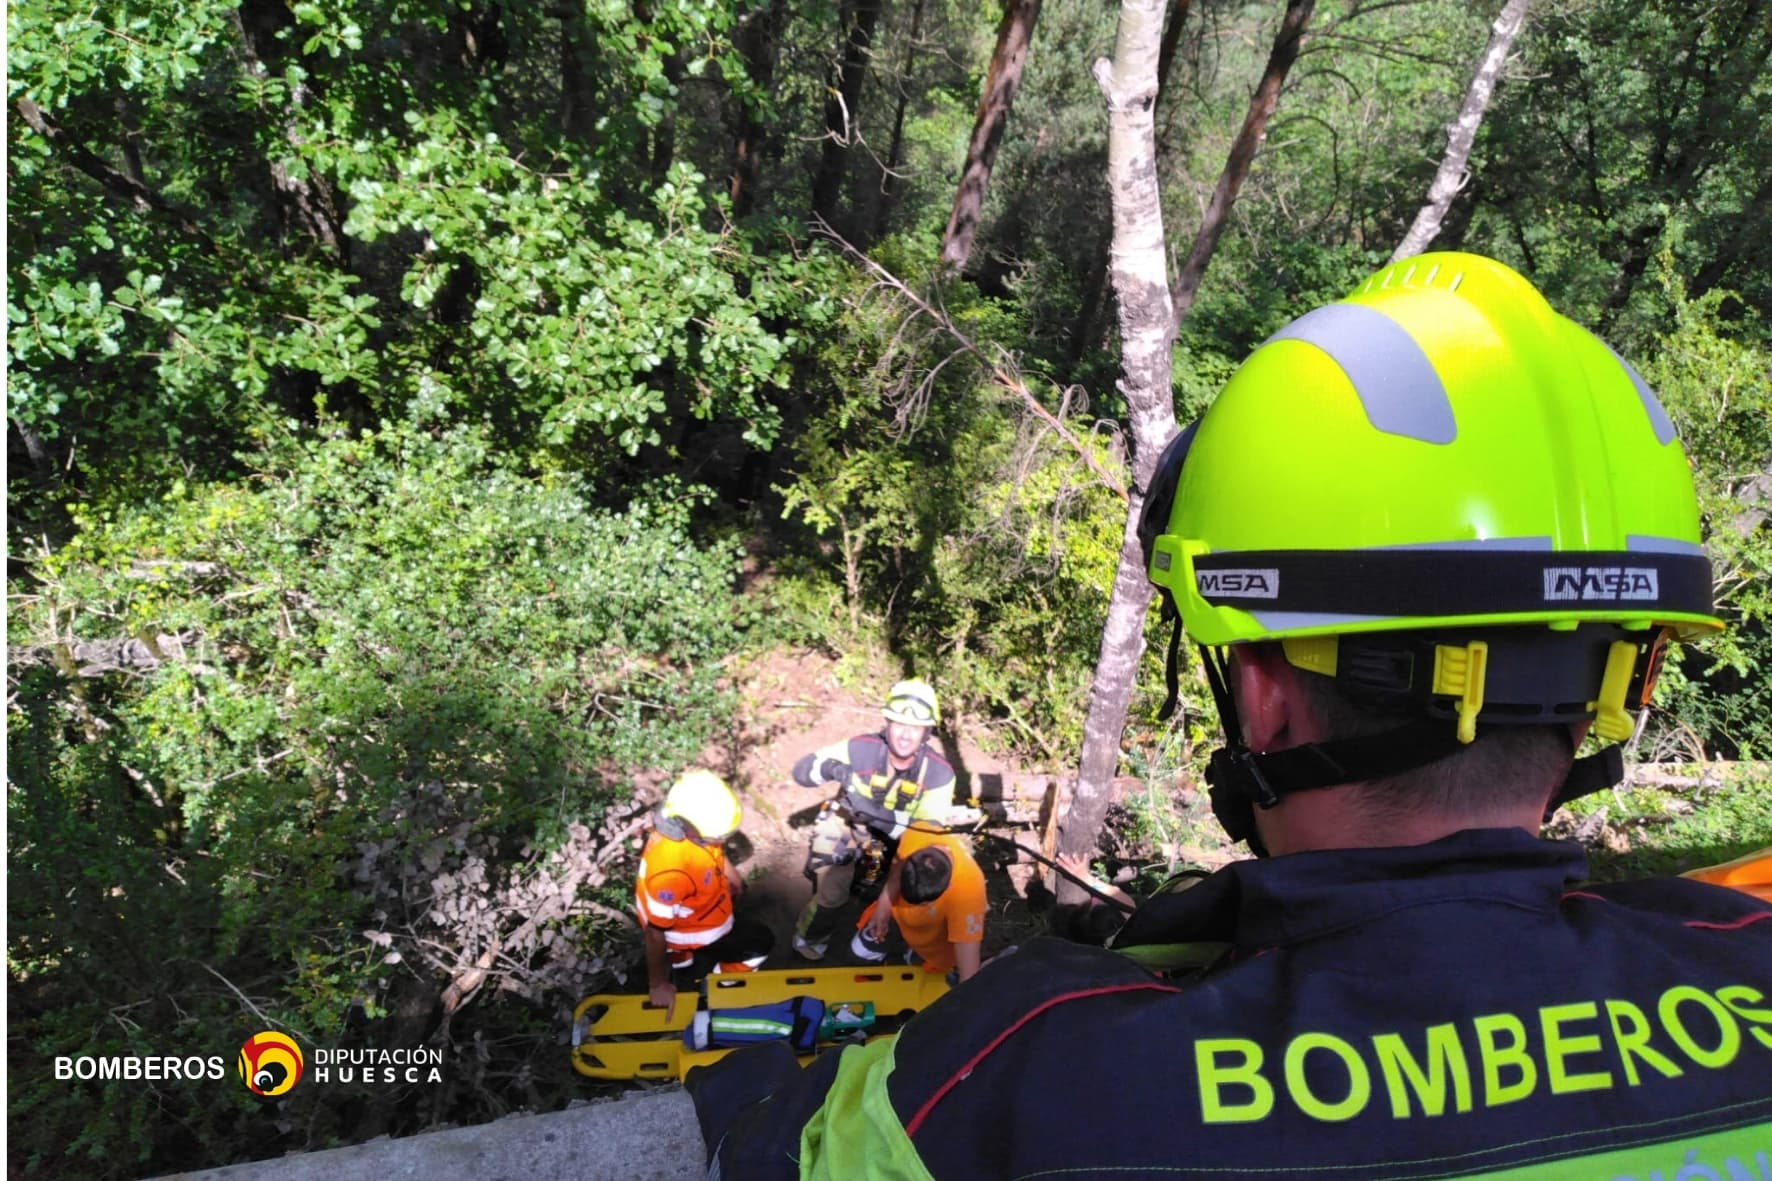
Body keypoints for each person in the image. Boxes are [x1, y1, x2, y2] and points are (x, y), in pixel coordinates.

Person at [687, 253, 1772, 1177]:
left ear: (1263, 688)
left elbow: (784, 1150)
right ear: (1618, 682)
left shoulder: (1020, 1079)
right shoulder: (1742, 953)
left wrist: (735, 1065)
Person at [788, 679, 957, 960]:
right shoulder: (861, 748)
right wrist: (830, 767)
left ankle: (907, 940)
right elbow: (801, 772)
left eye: (915, 728)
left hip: (902, 838)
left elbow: (926, 833)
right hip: (850, 826)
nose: (905, 735)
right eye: (899, 724)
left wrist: (868, 807)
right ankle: (810, 937)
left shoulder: (939, 774)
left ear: (926, 732)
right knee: (831, 891)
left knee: (919, 883)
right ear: (887, 724)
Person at [633, 769, 773, 1012]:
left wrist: (731, 874)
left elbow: (712, 850)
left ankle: (682, 966)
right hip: (692, 929)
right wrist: (657, 984)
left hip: (689, 917)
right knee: (759, 944)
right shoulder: (670, 872)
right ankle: (721, 984)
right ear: (688, 828)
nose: (721, 841)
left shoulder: (688, 821)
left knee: (680, 956)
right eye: (717, 837)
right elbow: (655, 932)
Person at [850, 823, 987, 984]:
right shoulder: (917, 834)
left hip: (933, 944)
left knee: (919, 981)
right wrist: (883, 906)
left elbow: (968, 969)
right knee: (859, 954)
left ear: (949, 886)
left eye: (924, 903)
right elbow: (897, 869)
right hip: (897, 915)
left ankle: (910, 956)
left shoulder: (968, 894)